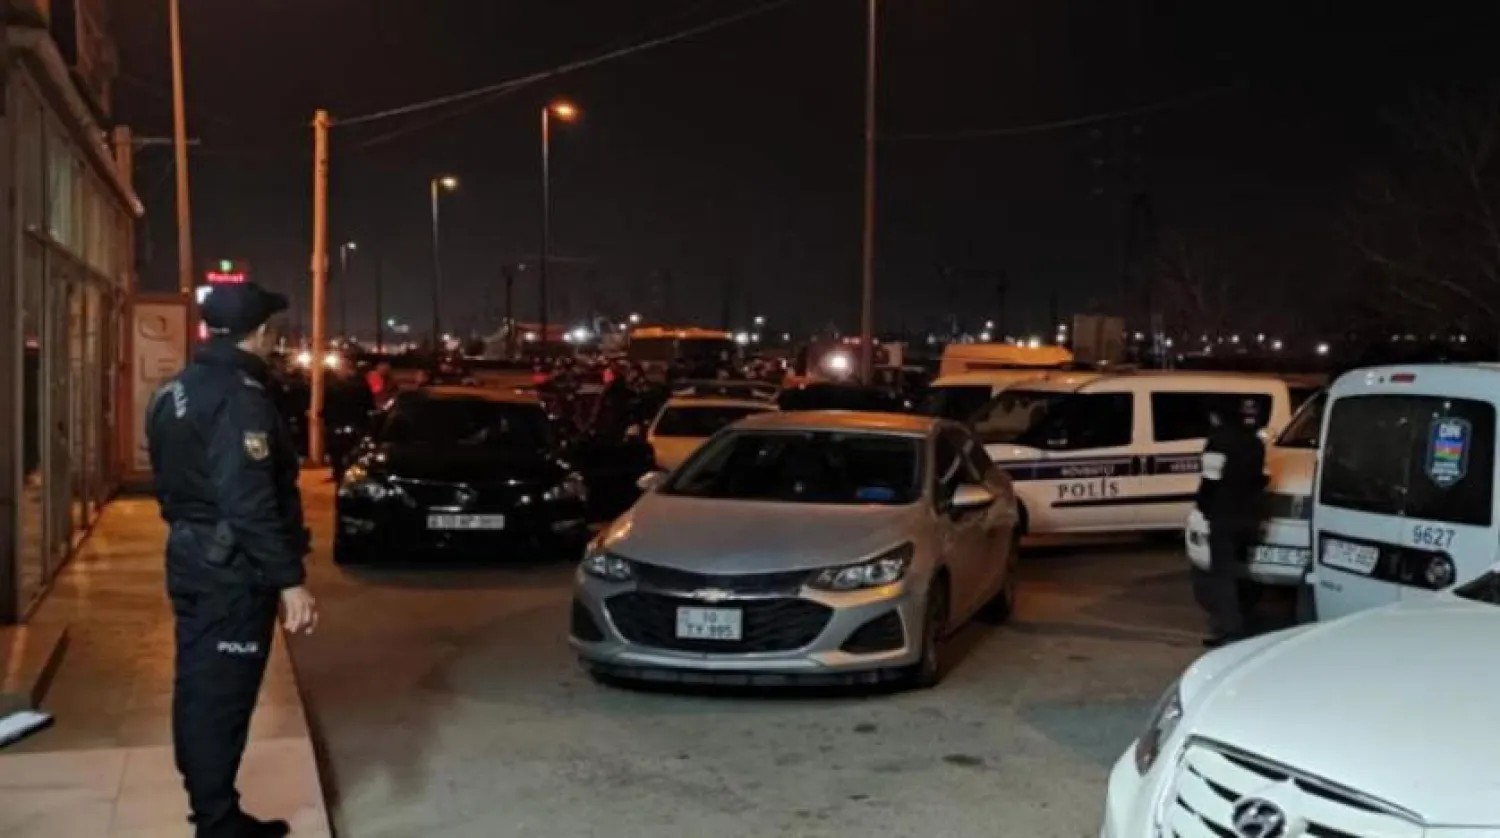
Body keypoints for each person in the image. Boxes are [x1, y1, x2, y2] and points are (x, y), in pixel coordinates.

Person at [145, 282, 318, 838]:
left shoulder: (178, 388)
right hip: (229, 570)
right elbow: (248, 500)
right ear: (261, 333)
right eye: (274, 330)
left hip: (195, 555)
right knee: (220, 696)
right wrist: (289, 580)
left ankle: (214, 811)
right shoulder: (240, 396)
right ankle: (217, 823)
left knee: (201, 685)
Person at [1193, 397, 1268, 648]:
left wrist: (1203, 505)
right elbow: (1258, 478)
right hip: (1250, 515)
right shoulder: (1256, 443)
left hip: (1224, 515)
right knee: (1243, 571)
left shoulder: (1218, 442)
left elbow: (1210, 480)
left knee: (1222, 574)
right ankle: (1249, 620)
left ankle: (1230, 629)